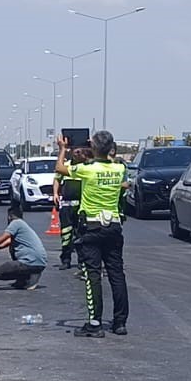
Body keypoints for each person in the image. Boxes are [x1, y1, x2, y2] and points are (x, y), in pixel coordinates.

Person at [56, 132, 129, 338]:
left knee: (93, 275)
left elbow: (60, 168)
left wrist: (63, 149)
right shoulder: (119, 168)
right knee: (117, 274)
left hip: (92, 227)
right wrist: (100, 150)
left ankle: (94, 322)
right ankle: (120, 322)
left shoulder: (87, 170)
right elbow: (120, 175)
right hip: (113, 227)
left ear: (94, 147)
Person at [0, 201, 47, 290]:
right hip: (39, 262)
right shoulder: (22, 226)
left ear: (10, 216)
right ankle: (23, 279)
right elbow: (1, 246)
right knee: (13, 254)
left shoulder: (16, 223)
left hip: (31, 262)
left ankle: (30, 275)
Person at [55, 148, 87, 271]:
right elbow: (57, 179)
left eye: (80, 150)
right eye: (75, 150)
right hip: (67, 204)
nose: (77, 153)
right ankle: (66, 259)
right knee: (66, 233)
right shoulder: (66, 166)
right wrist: (55, 194)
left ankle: (82, 261)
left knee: (81, 233)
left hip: (82, 205)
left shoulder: (86, 167)